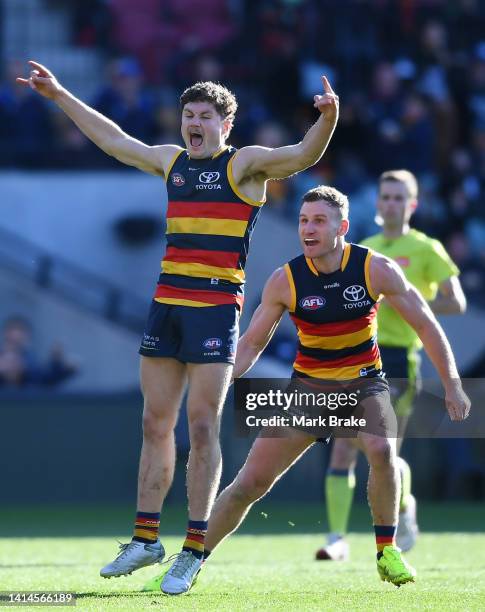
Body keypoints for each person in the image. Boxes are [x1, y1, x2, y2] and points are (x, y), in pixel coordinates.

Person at [17, 60, 339, 594]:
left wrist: (326, 119)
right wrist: (61, 97)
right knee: (154, 423)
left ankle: (193, 550)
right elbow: (115, 141)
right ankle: (145, 539)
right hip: (166, 304)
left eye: (205, 116)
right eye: (188, 114)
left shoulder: (244, 167)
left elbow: (301, 155)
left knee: (204, 426)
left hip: (214, 309)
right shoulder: (172, 162)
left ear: (224, 125)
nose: (193, 123)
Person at [143, 185, 469, 592]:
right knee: (249, 484)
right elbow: (250, 343)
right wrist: (224, 381)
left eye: (318, 221)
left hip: (364, 386)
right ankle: (189, 560)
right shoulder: (286, 279)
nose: (308, 229)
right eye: (302, 220)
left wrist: (453, 385)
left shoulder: (376, 268)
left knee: (383, 450)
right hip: (308, 393)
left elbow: (426, 325)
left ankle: (387, 549)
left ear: (342, 227)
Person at [316, 170, 467, 561]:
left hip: (399, 359)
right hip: (357, 357)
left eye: (400, 198)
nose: (391, 204)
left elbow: (457, 302)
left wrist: (411, 306)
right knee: (343, 450)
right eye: (385, 197)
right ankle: (335, 538)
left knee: (381, 452)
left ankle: (404, 507)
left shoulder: (427, 249)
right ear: (378, 202)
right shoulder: (365, 247)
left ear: (412, 205)